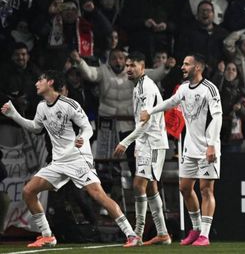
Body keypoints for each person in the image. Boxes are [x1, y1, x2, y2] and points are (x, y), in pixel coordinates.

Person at [0, 71, 140, 248]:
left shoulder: (69, 104)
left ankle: (131, 234)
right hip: (58, 162)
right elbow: (35, 128)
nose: (36, 83)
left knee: (98, 195)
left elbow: (87, 127)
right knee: (28, 191)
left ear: (50, 82)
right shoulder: (42, 106)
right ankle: (48, 236)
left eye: (40, 80)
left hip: (77, 158)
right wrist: (14, 115)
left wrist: (82, 137)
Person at [140, 53, 222, 246]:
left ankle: (205, 235)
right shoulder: (184, 88)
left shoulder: (209, 89)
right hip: (189, 148)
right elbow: (171, 102)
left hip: (207, 148)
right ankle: (196, 229)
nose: (183, 67)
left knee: (206, 190)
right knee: (185, 188)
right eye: (183, 64)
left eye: (187, 64)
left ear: (198, 67)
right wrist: (151, 111)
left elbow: (217, 117)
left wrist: (211, 144)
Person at [112, 52, 171, 245]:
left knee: (138, 185)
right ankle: (162, 233)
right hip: (145, 143)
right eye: (127, 65)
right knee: (151, 186)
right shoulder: (137, 86)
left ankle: (137, 234)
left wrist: (125, 142)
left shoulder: (147, 87)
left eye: (133, 65)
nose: (128, 69)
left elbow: (145, 123)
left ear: (142, 67)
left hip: (153, 142)